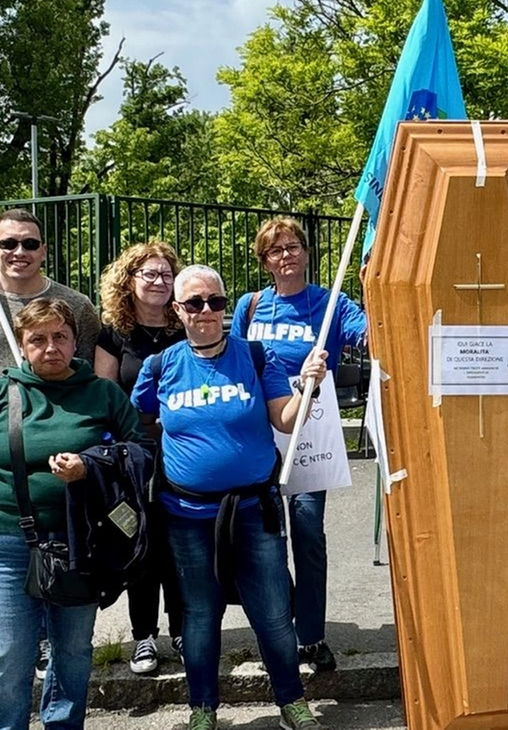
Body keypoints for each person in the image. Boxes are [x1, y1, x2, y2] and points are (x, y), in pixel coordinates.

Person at [137, 265, 329, 730]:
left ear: (226, 306)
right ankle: (203, 708)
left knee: (272, 609)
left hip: (253, 510)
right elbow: (133, 421)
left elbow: (285, 419)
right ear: (177, 310)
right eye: (195, 303)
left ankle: (292, 701)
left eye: (216, 302)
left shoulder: (258, 356)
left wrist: (307, 386)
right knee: (200, 615)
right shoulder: (160, 366)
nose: (207, 311)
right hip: (185, 515)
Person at [0, 298, 146, 730]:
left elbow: (141, 453)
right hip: (2, 543)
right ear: (21, 344)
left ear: (75, 342)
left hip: (80, 540)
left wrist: (91, 467)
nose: (50, 347)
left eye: (60, 337)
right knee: (10, 652)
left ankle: (63, 724)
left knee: (72, 650)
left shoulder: (102, 394)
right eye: (38, 339)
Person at [0, 209, 100, 692]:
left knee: (55, 555)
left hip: (55, 466)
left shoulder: (74, 305)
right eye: (9, 244)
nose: (19, 253)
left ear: (44, 249)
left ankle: (45, 641)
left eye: (29, 244)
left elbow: (82, 365)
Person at [230, 217, 367, 673]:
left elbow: (368, 333)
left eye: (292, 247)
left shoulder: (330, 304)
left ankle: (311, 634)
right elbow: (232, 361)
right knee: (268, 537)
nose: (285, 255)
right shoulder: (250, 308)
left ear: (307, 253)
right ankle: (279, 624)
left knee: (307, 533)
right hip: (260, 434)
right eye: (275, 250)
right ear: (264, 261)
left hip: (311, 430)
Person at [93, 241, 188, 675]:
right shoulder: (112, 333)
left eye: (166, 274)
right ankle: (144, 636)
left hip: (184, 450)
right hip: (135, 454)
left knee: (183, 545)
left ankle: (184, 629)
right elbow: (105, 394)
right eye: (148, 274)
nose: (158, 282)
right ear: (128, 281)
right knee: (141, 544)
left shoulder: (187, 326)